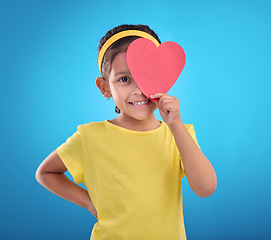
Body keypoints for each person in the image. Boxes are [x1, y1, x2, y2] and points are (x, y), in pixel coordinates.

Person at [35, 24, 217, 240]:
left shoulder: (179, 134)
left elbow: (206, 188)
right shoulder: (90, 137)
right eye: (124, 79)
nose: (138, 89)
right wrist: (88, 203)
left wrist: (175, 125)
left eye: (147, 75)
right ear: (105, 88)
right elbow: (45, 173)